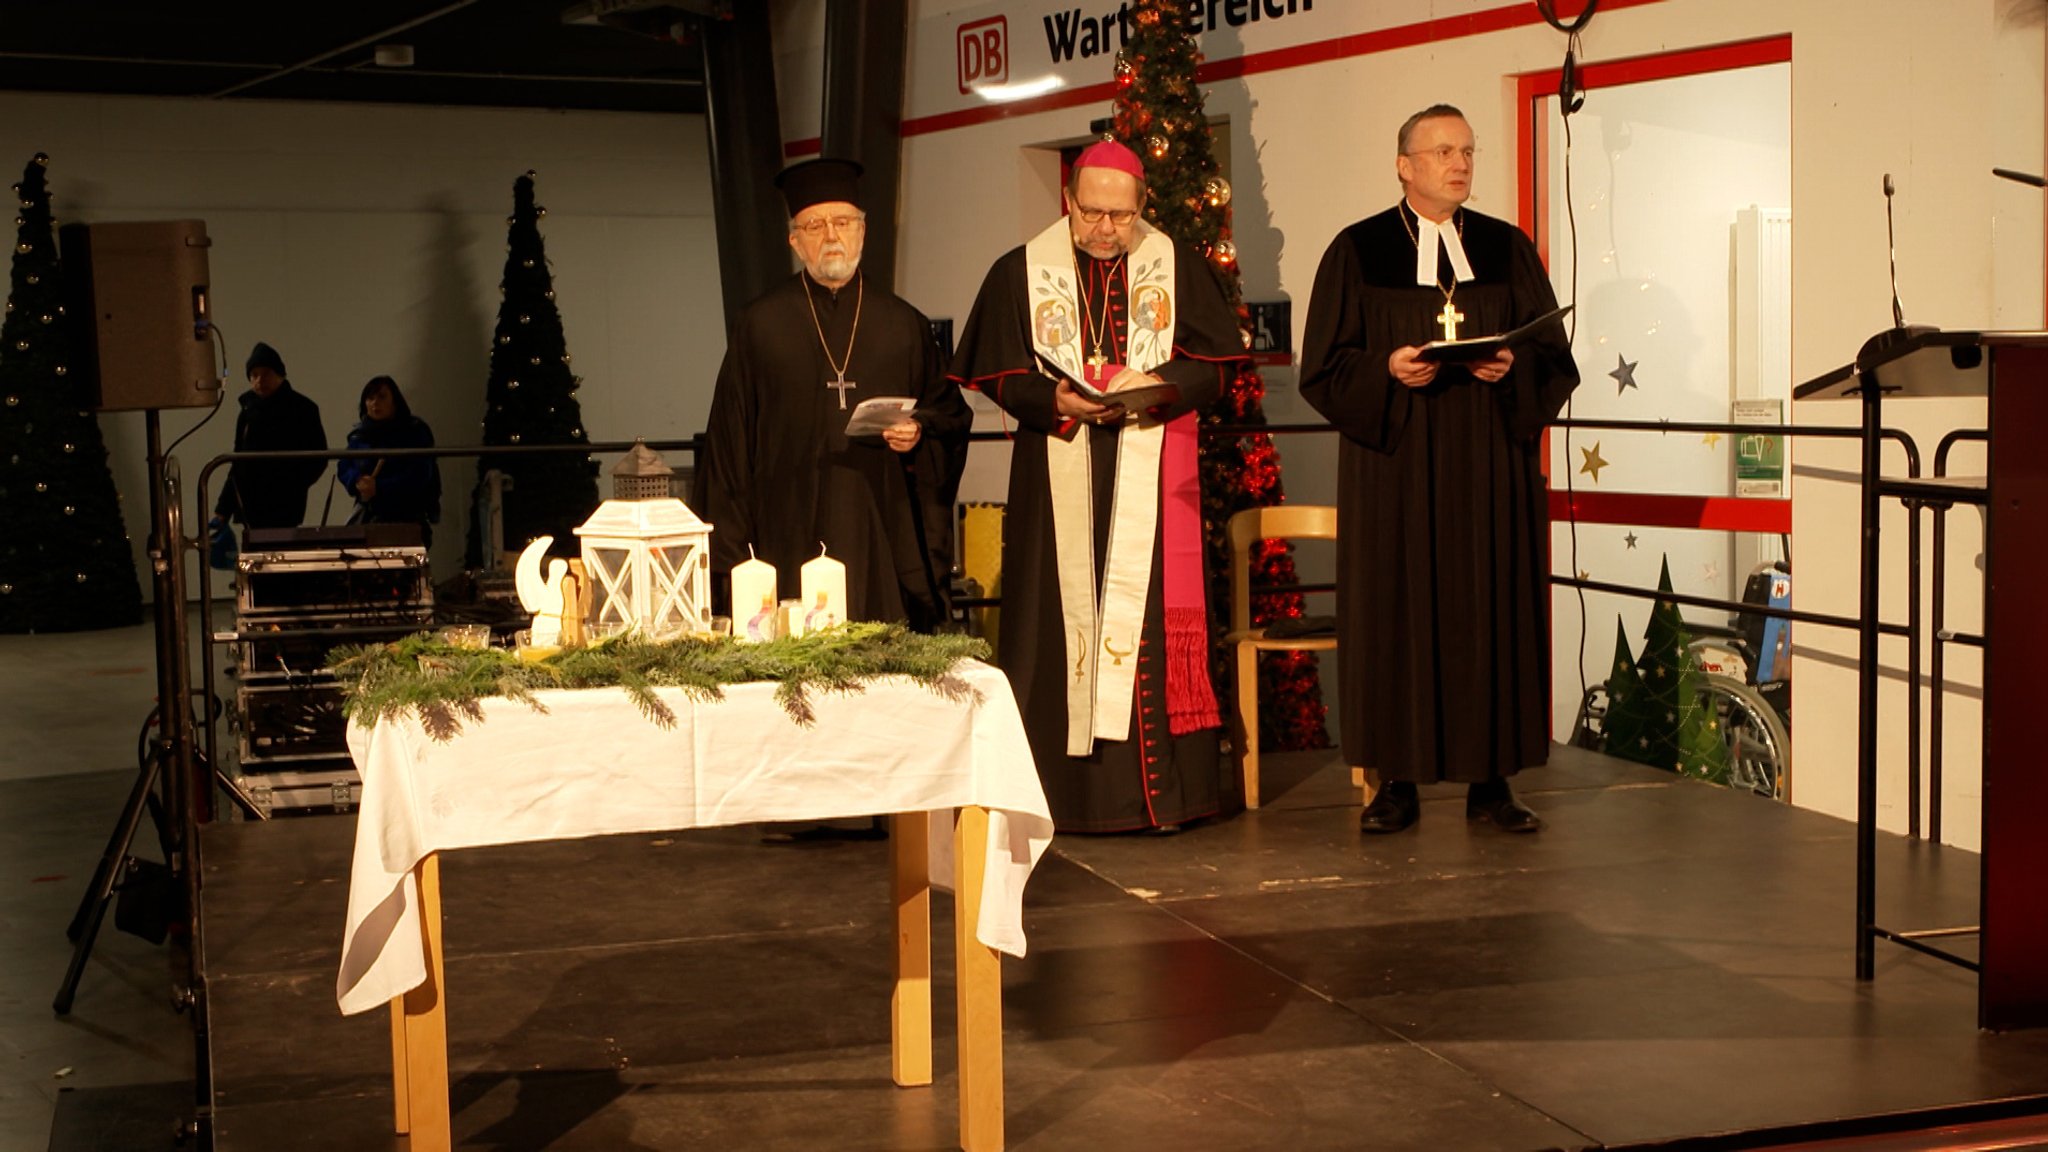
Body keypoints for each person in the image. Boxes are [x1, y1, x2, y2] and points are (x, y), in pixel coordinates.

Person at [948, 139, 1248, 834]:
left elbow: (1217, 371)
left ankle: (1162, 799)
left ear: (1142, 207)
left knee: (1145, 627)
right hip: (1057, 491)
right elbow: (997, 376)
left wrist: (1164, 386)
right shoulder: (1021, 271)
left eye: (1121, 215)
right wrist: (1054, 400)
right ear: (1068, 202)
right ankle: (1065, 798)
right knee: (1055, 629)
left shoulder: (1175, 268)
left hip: (1150, 476)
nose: (1106, 229)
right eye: (1092, 213)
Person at [1299, 104, 1581, 835]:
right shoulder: (1358, 250)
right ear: (1405, 165)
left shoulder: (1506, 248)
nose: (1460, 163)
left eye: (1467, 151)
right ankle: (1395, 782)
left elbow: (1554, 357)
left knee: (1490, 607)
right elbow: (1324, 368)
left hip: (1489, 465)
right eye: (1443, 151)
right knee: (1398, 610)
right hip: (1394, 468)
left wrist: (1512, 364)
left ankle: (1493, 782)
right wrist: (1385, 367)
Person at [694, 157, 969, 633]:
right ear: (794, 240)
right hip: (784, 524)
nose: (831, 236)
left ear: (863, 231)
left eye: (842, 222)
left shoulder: (903, 324)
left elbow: (948, 413)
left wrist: (918, 431)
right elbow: (729, 444)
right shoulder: (760, 325)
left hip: (879, 525)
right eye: (814, 226)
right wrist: (733, 557)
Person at [212, 342, 327, 533]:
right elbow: (238, 462)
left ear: (279, 375)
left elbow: (318, 456)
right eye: (254, 375)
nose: (259, 380)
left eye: (265, 374)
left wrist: (292, 486)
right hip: (251, 505)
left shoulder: (302, 409)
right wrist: (223, 510)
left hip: (285, 505)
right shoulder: (248, 411)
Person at [336, 375, 440, 545]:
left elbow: (420, 474)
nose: (375, 403)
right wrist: (357, 481)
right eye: (370, 398)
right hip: (370, 516)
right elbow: (344, 465)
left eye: (382, 397)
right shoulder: (360, 435)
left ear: (395, 401)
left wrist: (380, 487)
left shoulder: (413, 431)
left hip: (407, 516)